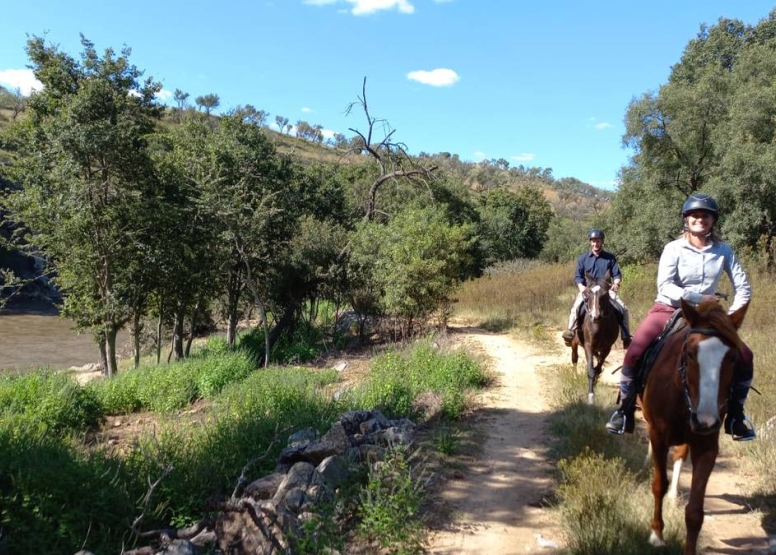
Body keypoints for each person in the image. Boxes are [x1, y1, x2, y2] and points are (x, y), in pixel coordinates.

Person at [605, 193, 756, 441]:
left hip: (709, 316)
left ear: (713, 220)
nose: (700, 219)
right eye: (694, 215)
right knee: (635, 351)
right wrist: (698, 298)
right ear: (686, 219)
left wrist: (729, 319)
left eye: (705, 215)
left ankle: (736, 416)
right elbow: (665, 286)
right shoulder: (673, 248)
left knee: (745, 356)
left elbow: (744, 288)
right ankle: (624, 410)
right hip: (668, 308)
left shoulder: (723, 251)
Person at [561, 229, 632, 349]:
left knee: (623, 309)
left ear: (602, 242)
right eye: (593, 241)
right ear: (590, 242)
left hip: (605, 291)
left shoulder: (610, 258)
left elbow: (617, 274)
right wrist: (582, 287)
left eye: (598, 241)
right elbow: (578, 276)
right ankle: (570, 332)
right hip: (589, 291)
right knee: (575, 309)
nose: (596, 244)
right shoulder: (583, 259)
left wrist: (616, 283)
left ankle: (626, 336)